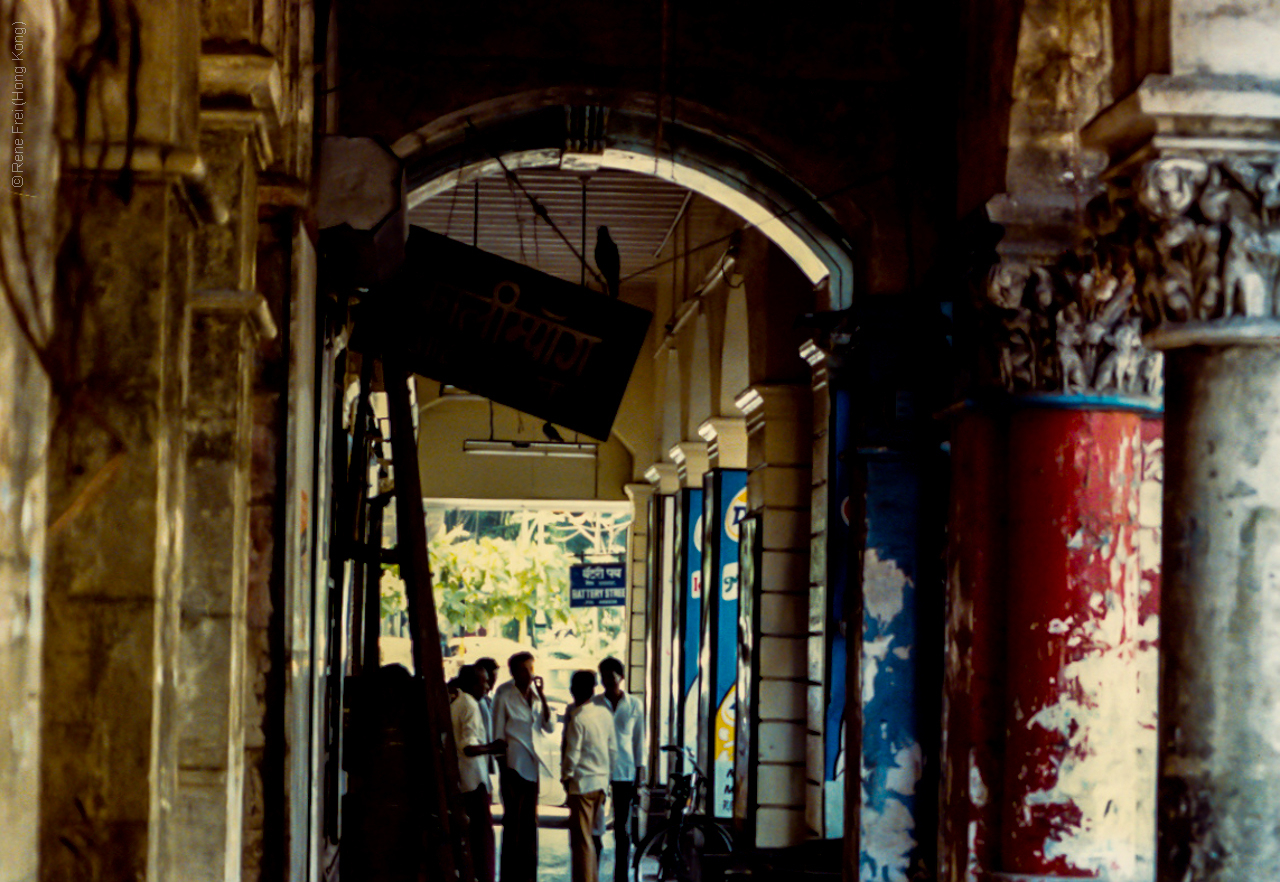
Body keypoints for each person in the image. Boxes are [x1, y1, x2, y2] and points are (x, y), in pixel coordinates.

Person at [492, 651, 554, 882]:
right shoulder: (504, 694)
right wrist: (502, 770)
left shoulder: (536, 696)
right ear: (514, 672)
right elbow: (497, 733)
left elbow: (549, 727)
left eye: (531, 668)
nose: (530, 674)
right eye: (524, 669)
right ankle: (510, 875)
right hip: (513, 765)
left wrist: (543, 696)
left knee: (530, 824)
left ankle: (528, 875)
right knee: (513, 824)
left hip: (533, 765)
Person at [593, 657, 646, 882]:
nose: (608, 681)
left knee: (622, 829)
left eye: (612, 677)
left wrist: (640, 771)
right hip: (598, 771)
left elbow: (638, 740)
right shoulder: (594, 704)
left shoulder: (634, 704)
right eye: (604, 677)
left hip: (625, 771)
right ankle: (591, 871)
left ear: (621, 678)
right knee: (595, 825)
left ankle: (621, 876)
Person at [450, 665, 504, 882]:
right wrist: (494, 747)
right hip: (473, 780)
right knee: (482, 841)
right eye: (484, 682)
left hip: (464, 779)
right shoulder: (470, 705)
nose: (488, 686)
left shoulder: (458, 702)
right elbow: (468, 747)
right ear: (473, 684)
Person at [562, 670, 616, 882]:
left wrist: (566, 776)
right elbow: (612, 749)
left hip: (582, 784)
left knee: (581, 841)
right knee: (591, 838)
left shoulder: (578, 718)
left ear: (574, 690)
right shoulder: (605, 714)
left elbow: (572, 754)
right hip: (601, 783)